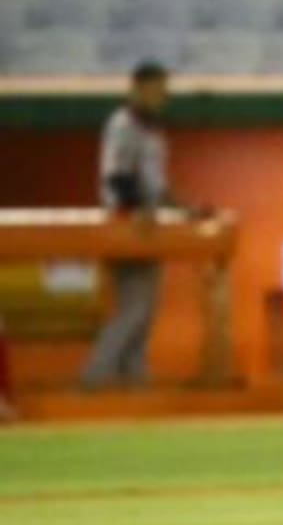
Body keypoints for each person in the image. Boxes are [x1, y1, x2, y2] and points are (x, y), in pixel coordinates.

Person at [80, 61, 179, 391]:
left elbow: (157, 185)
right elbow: (117, 176)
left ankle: (135, 381)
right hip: (124, 220)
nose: (162, 96)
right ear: (137, 88)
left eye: (164, 90)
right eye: (156, 89)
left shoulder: (153, 130)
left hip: (149, 224)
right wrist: (137, 210)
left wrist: (184, 207)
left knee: (145, 310)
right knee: (134, 308)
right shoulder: (122, 124)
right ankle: (94, 379)